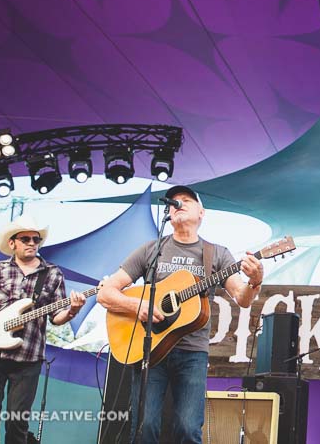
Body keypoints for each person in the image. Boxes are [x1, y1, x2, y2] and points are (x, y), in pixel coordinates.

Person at [98, 184, 264, 444]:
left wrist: (255, 282)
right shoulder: (150, 250)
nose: (179, 203)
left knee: (188, 429)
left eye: (186, 199)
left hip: (192, 353)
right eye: (174, 201)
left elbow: (242, 298)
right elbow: (105, 293)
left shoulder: (216, 254)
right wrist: (136, 306)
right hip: (149, 351)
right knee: (145, 426)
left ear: (202, 212)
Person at [0, 215, 86, 444]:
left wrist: (72, 310)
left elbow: (57, 317)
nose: (32, 243)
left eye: (36, 239)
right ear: (12, 243)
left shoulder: (52, 273)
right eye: (26, 239)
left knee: (17, 425)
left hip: (28, 358)